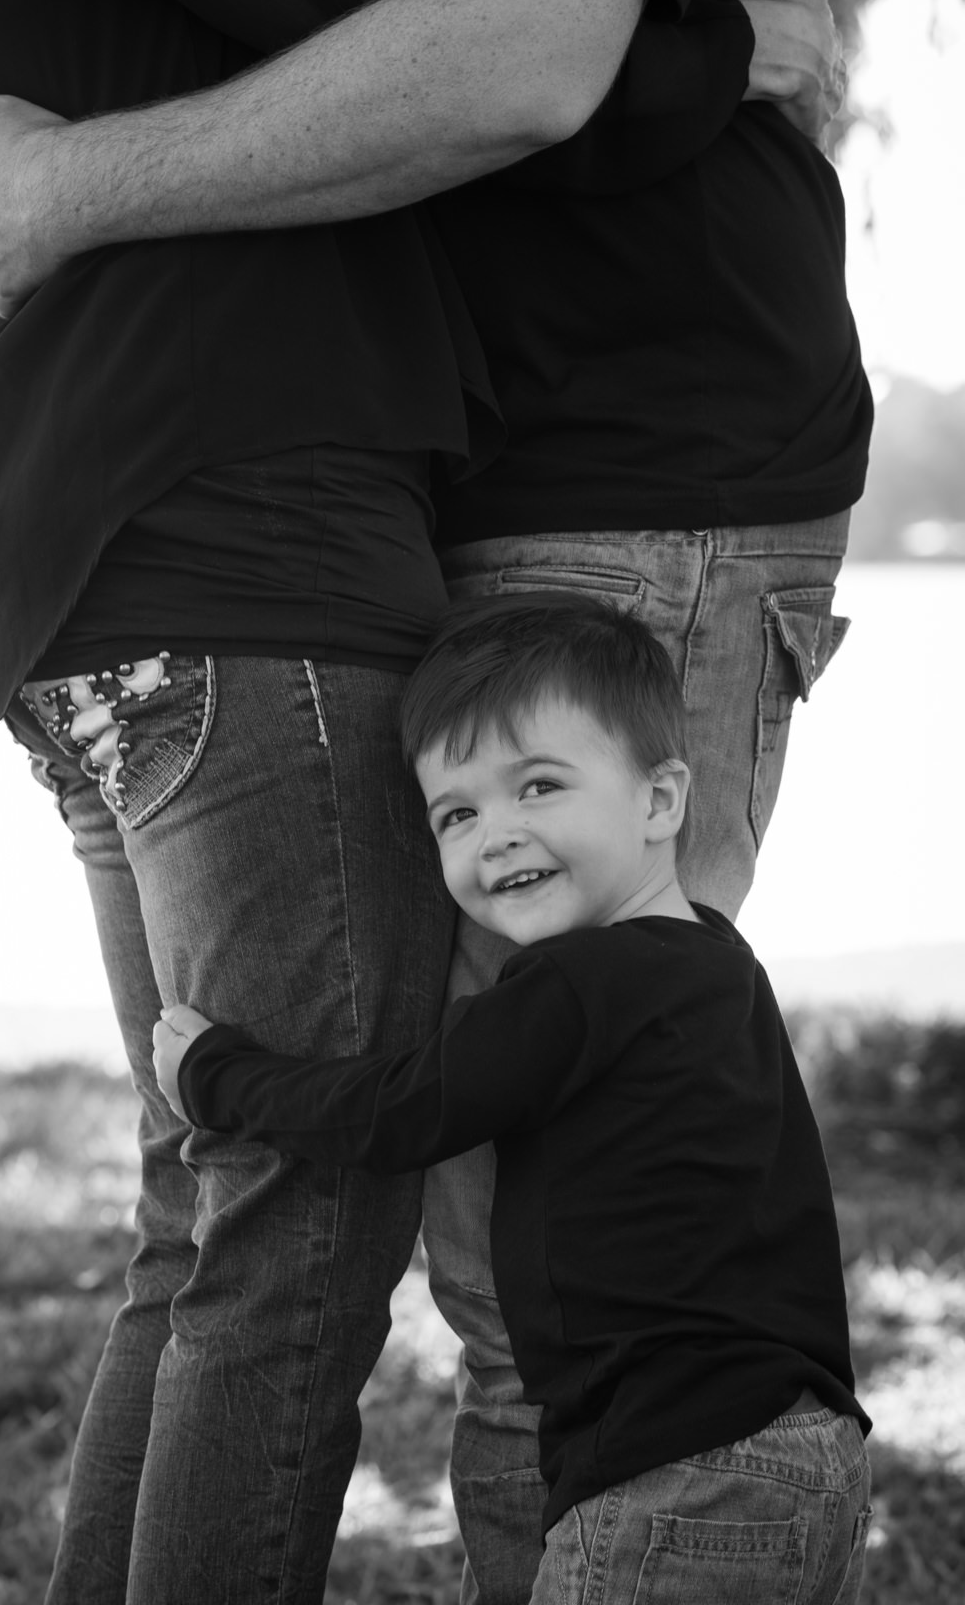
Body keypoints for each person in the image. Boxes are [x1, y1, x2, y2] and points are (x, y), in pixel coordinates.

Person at [0, 0, 841, 1603]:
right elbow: (302, 7)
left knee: (524, 1267)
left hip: (624, 461)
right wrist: (37, 165)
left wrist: (74, 175)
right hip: (348, 492)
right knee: (297, 1242)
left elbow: (502, 55)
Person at [153, 592, 873, 1605]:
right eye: (458, 812)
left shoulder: (577, 983)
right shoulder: (718, 960)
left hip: (670, 1474)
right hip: (814, 1460)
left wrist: (221, 1075)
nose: (497, 834)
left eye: (539, 785)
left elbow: (401, 1110)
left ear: (662, 801)